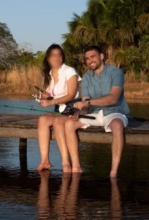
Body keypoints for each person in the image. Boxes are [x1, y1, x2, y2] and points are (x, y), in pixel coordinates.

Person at [65, 45, 130, 178]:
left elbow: (113, 98)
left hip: (114, 111)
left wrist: (87, 103)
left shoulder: (116, 72)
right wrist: (79, 112)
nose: (90, 61)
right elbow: (86, 104)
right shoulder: (86, 77)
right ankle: (76, 166)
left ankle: (113, 172)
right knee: (69, 124)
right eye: (87, 58)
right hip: (94, 113)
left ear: (101, 56)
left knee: (117, 125)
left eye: (92, 57)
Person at [36, 44, 81, 172]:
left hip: (73, 110)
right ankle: (45, 161)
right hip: (61, 111)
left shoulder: (70, 71)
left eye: (59, 55)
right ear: (48, 58)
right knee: (43, 119)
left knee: (57, 121)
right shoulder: (49, 74)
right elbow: (51, 96)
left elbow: (71, 94)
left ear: (63, 57)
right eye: (53, 55)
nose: (56, 58)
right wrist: (46, 97)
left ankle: (66, 163)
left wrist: (51, 102)